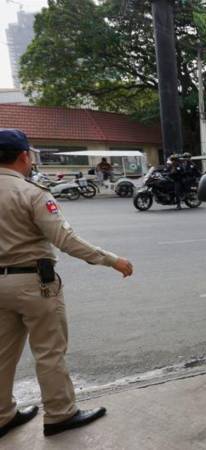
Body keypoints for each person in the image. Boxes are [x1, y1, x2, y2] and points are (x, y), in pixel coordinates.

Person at [0, 129, 133, 438]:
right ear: (24, 156)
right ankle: (60, 414)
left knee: (2, 353)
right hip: (33, 284)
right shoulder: (31, 193)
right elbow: (65, 240)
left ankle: (2, 415)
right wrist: (112, 260)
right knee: (49, 351)